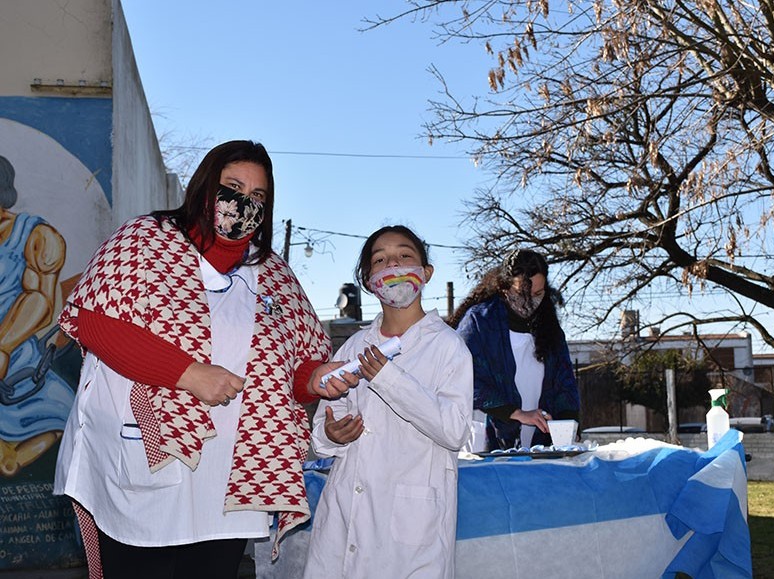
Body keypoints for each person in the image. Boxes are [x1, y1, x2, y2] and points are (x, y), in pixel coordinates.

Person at [53, 140, 349, 579]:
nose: (242, 202)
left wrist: (318, 377)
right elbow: (92, 322)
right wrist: (187, 374)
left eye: (258, 196)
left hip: (232, 476)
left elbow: (297, 368)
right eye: (233, 186)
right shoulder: (145, 239)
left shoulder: (274, 275)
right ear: (206, 187)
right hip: (144, 462)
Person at [302, 225, 473, 579]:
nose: (392, 263)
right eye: (380, 260)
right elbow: (321, 433)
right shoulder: (352, 347)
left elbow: (455, 432)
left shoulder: (448, 347)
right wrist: (333, 434)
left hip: (412, 531)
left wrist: (389, 379)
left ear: (426, 273)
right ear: (369, 281)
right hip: (345, 516)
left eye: (404, 255)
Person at [450, 248, 580, 450]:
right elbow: (461, 377)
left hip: (541, 444)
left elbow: (565, 383)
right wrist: (515, 413)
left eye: (538, 294)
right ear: (503, 288)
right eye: (522, 294)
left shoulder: (550, 329)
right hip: (488, 442)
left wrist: (569, 425)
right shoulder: (479, 322)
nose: (530, 302)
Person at [0, 154, 74, 477]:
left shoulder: (35, 236)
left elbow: (41, 302)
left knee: (59, 415)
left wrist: (3, 348)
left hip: (17, 362)